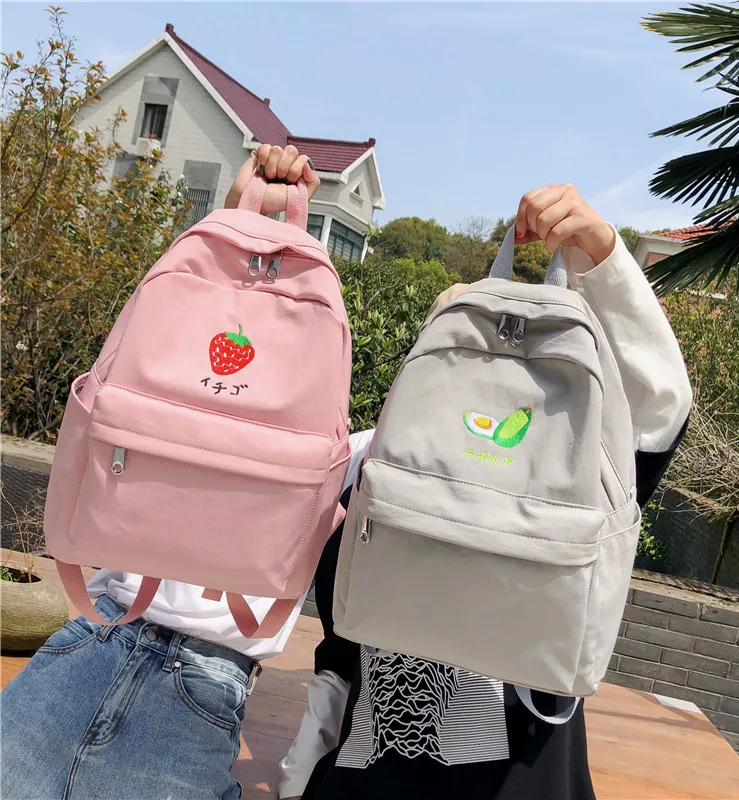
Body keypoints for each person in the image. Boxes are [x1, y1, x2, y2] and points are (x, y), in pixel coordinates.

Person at [278, 184, 693, 800]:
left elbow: (658, 407)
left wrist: (601, 260)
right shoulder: (376, 475)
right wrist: (300, 772)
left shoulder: (575, 468)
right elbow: (338, 664)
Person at [0, 144, 329, 800]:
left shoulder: (361, 446)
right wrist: (234, 216)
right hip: (97, 628)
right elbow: (171, 357)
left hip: (203, 676)